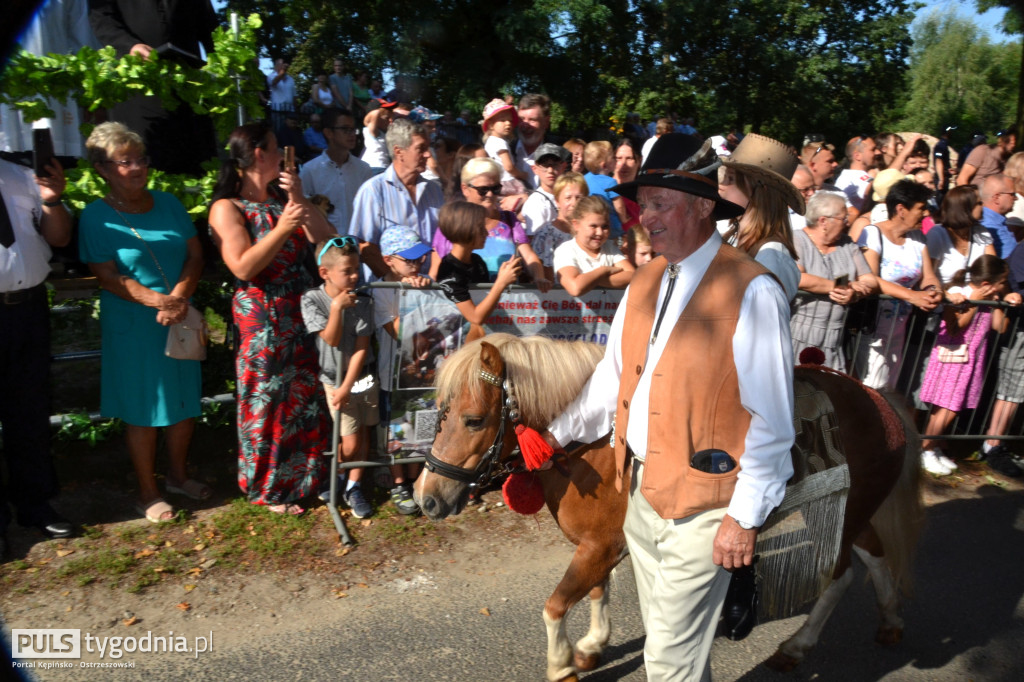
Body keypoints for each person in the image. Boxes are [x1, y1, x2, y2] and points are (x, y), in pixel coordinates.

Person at [544, 132, 795, 680]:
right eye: (642, 204)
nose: (644, 218)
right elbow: (611, 381)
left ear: (704, 206)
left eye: (660, 203)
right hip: (639, 496)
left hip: (707, 510)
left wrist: (743, 518)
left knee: (667, 666)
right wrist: (552, 439)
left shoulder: (753, 290)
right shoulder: (646, 279)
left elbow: (774, 424)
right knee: (675, 651)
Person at [78, 122, 206, 523]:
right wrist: (159, 302)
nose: (137, 168)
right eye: (125, 161)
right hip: (135, 325)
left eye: (141, 159)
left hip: (178, 317)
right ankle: (147, 492)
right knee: (143, 410)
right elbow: (107, 276)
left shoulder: (168, 203)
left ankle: (178, 476)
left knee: (184, 404)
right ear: (102, 168)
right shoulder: (96, 217)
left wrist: (179, 299)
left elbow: (195, 256)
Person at [208, 121, 334, 514]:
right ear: (259, 154)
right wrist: (282, 228)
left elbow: (328, 241)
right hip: (261, 316)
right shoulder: (227, 208)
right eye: (277, 147)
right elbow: (243, 267)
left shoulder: (284, 199)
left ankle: (304, 478)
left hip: (299, 310)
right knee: (266, 399)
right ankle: (268, 486)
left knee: (303, 397)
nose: (283, 154)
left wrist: (298, 198)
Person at [0, 151, 74, 557]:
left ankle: (35, 506)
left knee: (29, 412)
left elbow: (59, 237)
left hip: (26, 309)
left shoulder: (20, 174)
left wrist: (52, 199)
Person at [88, 0, 218, 175]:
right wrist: (129, 46)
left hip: (189, 91)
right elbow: (102, 20)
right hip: (137, 89)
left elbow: (211, 29)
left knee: (196, 166)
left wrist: (230, 58)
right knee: (142, 164)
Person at [301, 237, 380, 518]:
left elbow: (362, 347)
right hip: (334, 380)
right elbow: (331, 340)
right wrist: (336, 308)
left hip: (362, 377)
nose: (355, 275)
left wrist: (349, 386)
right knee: (349, 440)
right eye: (348, 271)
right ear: (325, 273)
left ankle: (353, 485)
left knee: (365, 432)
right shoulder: (312, 299)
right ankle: (338, 475)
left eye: (357, 269)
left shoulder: (364, 300)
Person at [919, 255, 1010, 475]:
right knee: (947, 408)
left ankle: (935, 446)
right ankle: (926, 450)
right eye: (1002, 282)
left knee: (948, 408)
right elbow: (956, 327)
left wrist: (997, 300)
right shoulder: (960, 295)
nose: (1004, 286)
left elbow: (1001, 326)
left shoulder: (990, 298)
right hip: (952, 361)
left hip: (969, 362)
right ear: (987, 283)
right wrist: (974, 302)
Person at [854, 180, 943, 390]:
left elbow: (928, 276)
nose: (926, 215)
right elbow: (871, 278)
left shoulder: (918, 238)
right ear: (901, 209)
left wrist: (933, 291)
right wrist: (912, 296)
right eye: (921, 208)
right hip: (872, 328)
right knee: (871, 388)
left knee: (888, 388)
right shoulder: (872, 234)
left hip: (899, 328)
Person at [373, 226, 433, 512]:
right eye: (409, 260)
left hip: (422, 375)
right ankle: (399, 485)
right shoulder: (382, 290)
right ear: (388, 260)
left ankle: (417, 481)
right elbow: (399, 332)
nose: (417, 265)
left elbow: (435, 326)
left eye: (420, 258)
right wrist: (413, 298)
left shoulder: (427, 283)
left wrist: (422, 293)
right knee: (397, 434)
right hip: (393, 376)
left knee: (420, 432)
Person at [431, 157, 550, 291]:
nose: (490, 194)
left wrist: (539, 277)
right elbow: (435, 271)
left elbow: (528, 255)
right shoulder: (452, 222)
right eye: (483, 189)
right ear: (465, 189)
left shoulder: (509, 220)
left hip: (507, 302)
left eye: (495, 188)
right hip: (463, 302)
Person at [790, 192, 878, 371]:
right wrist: (842, 286)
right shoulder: (797, 239)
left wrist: (856, 293)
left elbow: (870, 280)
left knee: (829, 394)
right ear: (823, 221)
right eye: (843, 218)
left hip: (834, 339)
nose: (847, 223)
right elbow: (798, 277)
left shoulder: (847, 244)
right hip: (798, 334)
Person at [350, 118, 445, 280]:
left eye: (428, 148)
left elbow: (441, 241)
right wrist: (397, 283)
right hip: (388, 294)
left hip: (430, 290)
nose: (428, 154)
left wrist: (431, 280)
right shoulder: (373, 191)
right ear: (399, 151)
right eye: (421, 148)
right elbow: (366, 248)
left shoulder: (434, 190)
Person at [719, 133, 803, 301]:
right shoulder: (733, 236)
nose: (722, 185)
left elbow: (765, 321)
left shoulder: (772, 255)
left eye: (730, 179)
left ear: (760, 191)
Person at [434, 201, 522, 341]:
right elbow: (476, 317)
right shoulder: (449, 270)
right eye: (481, 228)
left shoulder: (476, 261)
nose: (487, 233)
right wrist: (501, 282)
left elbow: (485, 304)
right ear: (465, 230)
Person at [299, 107, 373, 236]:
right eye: (345, 129)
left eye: (353, 129)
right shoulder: (310, 171)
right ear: (329, 133)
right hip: (326, 248)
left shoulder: (363, 169)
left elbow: (370, 211)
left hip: (356, 247)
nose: (352, 134)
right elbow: (303, 212)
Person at [553, 195, 634, 296]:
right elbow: (575, 288)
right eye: (593, 226)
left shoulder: (609, 247)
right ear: (576, 224)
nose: (599, 233)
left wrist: (588, 280)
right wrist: (603, 270)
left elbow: (632, 276)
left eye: (605, 227)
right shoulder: (566, 251)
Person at [531, 172, 588, 282]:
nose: (574, 203)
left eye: (579, 197)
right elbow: (545, 273)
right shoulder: (546, 234)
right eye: (568, 198)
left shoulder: (590, 231)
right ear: (557, 201)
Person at [519, 143, 570, 236]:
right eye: (545, 165)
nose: (550, 170)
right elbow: (536, 240)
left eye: (555, 165)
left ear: (563, 166)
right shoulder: (536, 203)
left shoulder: (569, 196)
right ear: (535, 169)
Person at [481, 99, 530, 193]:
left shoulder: (489, 142)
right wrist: (521, 174)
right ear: (491, 125)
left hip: (496, 182)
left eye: (510, 121)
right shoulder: (500, 142)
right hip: (508, 181)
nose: (508, 123)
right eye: (502, 120)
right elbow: (509, 167)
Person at [583, 140, 624, 237]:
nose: (616, 160)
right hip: (611, 227)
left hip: (590, 224)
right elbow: (619, 206)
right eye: (613, 157)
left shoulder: (584, 179)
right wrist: (625, 219)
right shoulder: (610, 182)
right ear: (604, 164)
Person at [515, 93, 553, 187]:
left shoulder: (559, 156)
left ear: (546, 122)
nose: (525, 125)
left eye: (532, 120)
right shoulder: (504, 150)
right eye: (521, 119)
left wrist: (525, 196)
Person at [979, 174, 1019, 258]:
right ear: (997, 198)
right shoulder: (990, 227)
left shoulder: (997, 221)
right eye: (1012, 194)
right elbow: (1011, 260)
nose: (1016, 198)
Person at [360, 99, 396, 173]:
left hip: (383, 168)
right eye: (386, 118)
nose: (391, 121)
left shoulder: (384, 133)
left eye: (391, 118)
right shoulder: (372, 131)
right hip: (375, 167)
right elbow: (373, 114)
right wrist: (377, 109)